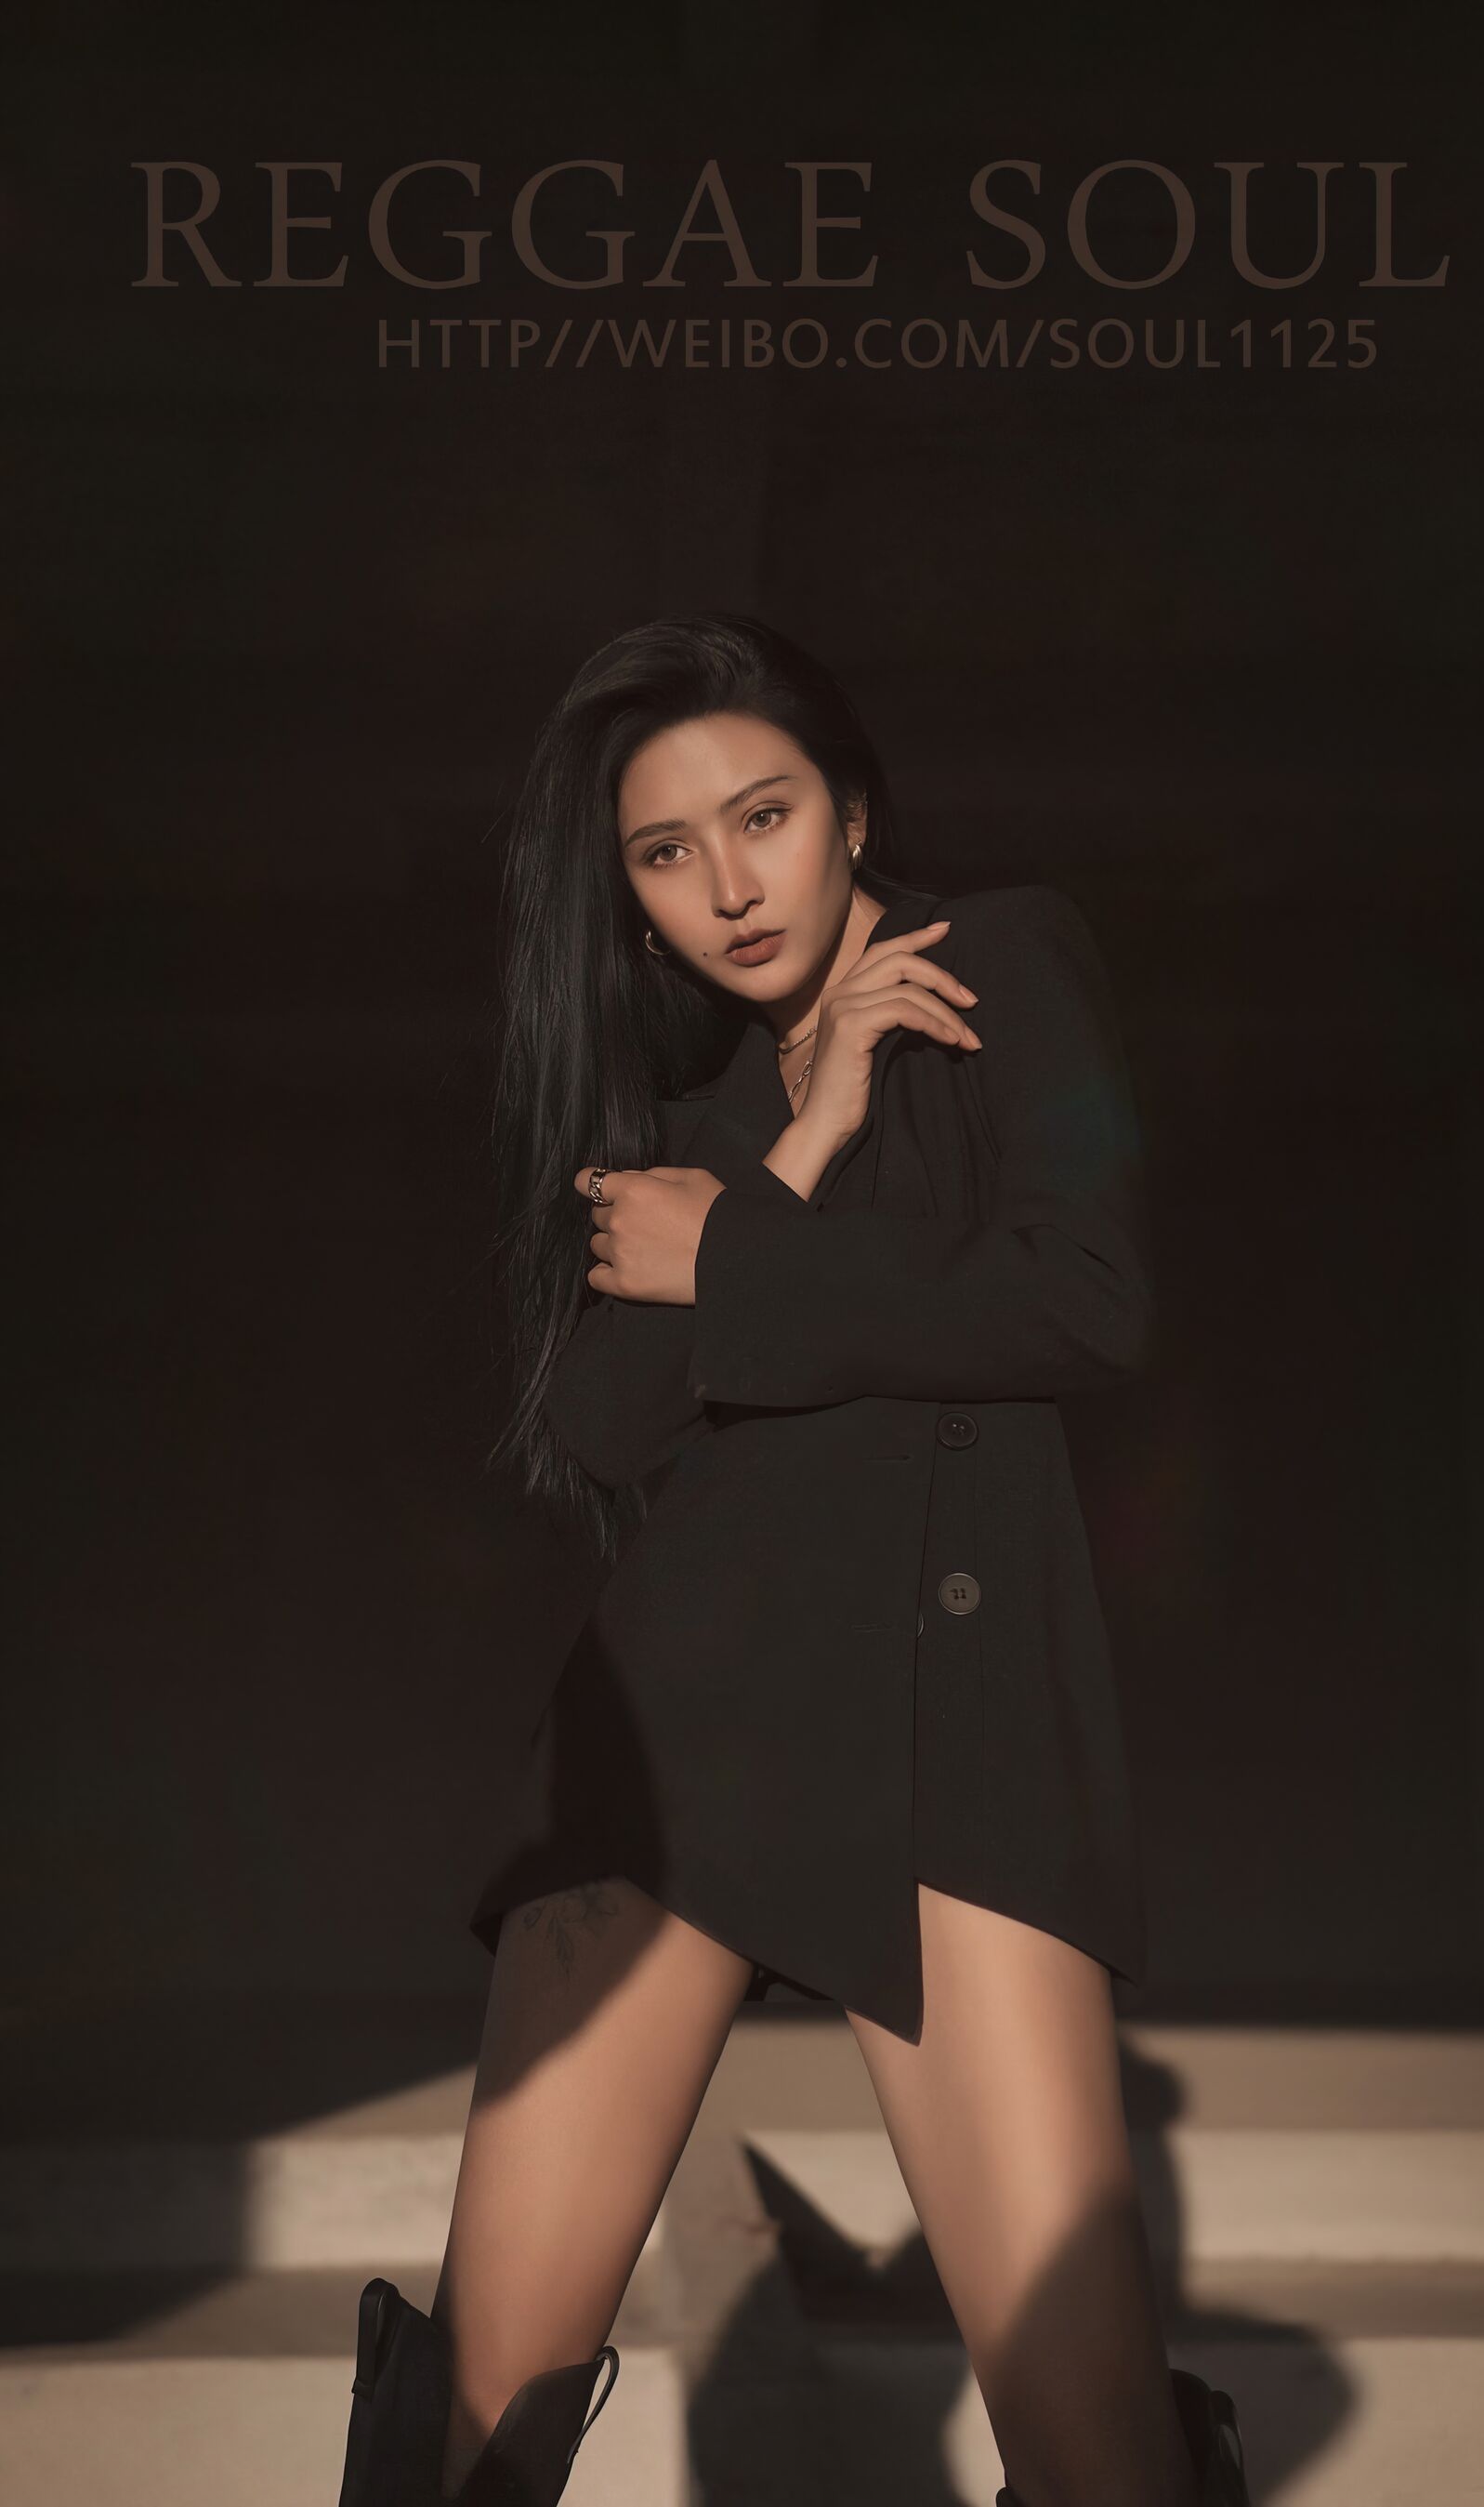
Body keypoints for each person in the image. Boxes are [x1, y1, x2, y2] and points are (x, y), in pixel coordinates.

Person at [335, 614, 1253, 2506]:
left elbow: (1087, 1295)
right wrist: (803, 1130)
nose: (729, 884)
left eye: (763, 815)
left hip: (949, 1741)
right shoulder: (690, 1120)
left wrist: (737, 1253)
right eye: (666, 851)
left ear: (853, 810)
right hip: (674, 1748)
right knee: (470, 2440)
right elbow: (606, 1426)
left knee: (1101, 2453)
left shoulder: (1004, 958)